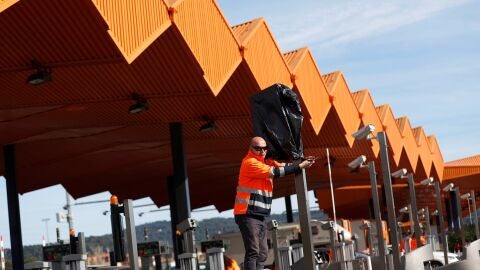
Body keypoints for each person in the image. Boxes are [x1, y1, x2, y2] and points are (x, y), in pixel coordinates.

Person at [233, 136, 315, 270]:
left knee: (263, 252)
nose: (262, 151)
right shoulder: (250, 163)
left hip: (258, 214)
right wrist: (300, 166)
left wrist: (302, 162)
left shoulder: (266, 162)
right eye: (258, 148)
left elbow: (283, 166)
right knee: (253, 250)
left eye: (264, 148)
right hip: (247, 213)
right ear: (250, 148)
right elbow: (276, 172)